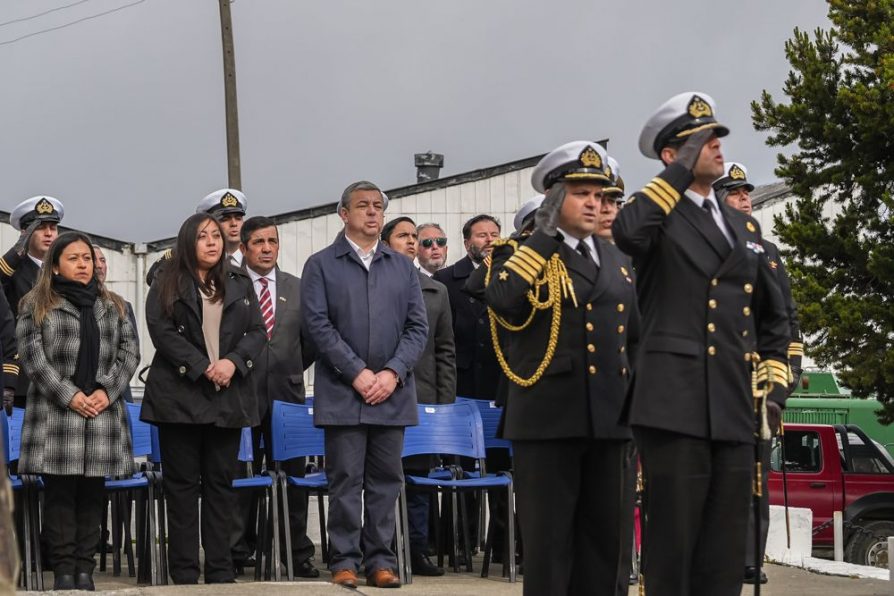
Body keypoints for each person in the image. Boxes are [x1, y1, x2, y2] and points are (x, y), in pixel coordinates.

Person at [612, 91, 790, 595]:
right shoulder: (658, 215)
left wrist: (774, 387)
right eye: (700, 141)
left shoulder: (743, 225)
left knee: (725, 549)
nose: (715, 146)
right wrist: (676, 174)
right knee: (674, 543)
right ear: (671, 154)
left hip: (734, 401)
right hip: (674, 399)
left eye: (716, 137)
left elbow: (775, 320)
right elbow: (627, 233)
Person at [482, 141, 639, 595]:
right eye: (581, 193)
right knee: (551, 551)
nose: (594, 203)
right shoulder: (519, 254)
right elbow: (503, 298)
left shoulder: (617, 258)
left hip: (612, 421)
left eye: (600, 194)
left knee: (608, 549)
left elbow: (638, 341)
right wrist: (545, 233)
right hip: (549, 421)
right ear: (553, 200)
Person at [301, 181, 428, 589]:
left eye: (378, 206)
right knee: (345, 481)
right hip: (343, 392)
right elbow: (318, 326)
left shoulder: (403, 266)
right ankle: (343, 560)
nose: (372, 213)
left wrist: (392, 372)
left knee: (386, 482)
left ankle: (381, 561)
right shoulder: (321, 264)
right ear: (344, 213)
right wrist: (356, 372)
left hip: (392, 392)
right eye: (363, 206)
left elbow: (416, 328)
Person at [140, 213, 266, 584]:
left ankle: (220, 569)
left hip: (227, 395)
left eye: (216, 236)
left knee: (220, 486)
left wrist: (232, 362)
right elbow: (161, 332)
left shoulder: (239, 281)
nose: (212, 242)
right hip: (180, 398)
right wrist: (200, 365)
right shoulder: (166, 281)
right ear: (186, 242)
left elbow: (258, 331)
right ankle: (182, 572)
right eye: (202, 236)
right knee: (180, 489)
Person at [16, 232, 139, 591]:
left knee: (91, 495)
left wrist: (106, 391)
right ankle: (64, 571)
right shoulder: (35, 304)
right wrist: (70, 395)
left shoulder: (113, 305)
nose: (84, 265)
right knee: (58, 497)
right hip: (57, 417)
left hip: (102, 414)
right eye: (74, 258)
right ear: (55, 265)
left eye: (87, 258)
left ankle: (85, 571)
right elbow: (33, 358)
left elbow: (130, 353)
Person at [713, 161, 804, 585]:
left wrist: (778, 388)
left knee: (754, 479)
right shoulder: (703, 248)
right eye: (733, 193)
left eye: (746, 191)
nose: (744, 198)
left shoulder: (767, 253)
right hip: (709, 383)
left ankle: (750, 558)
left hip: (755, 384)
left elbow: (786, 326)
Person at [229, 216, 319, 578]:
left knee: (292, 479)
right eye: (259, 242)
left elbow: (311, 341)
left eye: (272, 241)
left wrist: (290, 367)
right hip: (241, 395)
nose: (267, 248)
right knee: (240, 477)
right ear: (244, 247)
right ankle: (237, 551)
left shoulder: (298, 288)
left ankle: (296, 553)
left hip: (288, 396)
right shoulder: (230, 286)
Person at [381, 216, 456, 577]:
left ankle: (416, 548)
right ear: (385, 242)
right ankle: (380, 549)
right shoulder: (372, 284)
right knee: (382, 479)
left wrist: (444, 405)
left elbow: (445, 351)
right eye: (404, 236)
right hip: (379, 395)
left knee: (419, 482)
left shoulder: (435, 291)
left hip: (422, 397)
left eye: (416, 237)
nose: (412, 243)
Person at [0, 196, 64, 408]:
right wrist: (18, 251)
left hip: (63, 378)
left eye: (53, 228)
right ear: (25, 234)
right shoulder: (13, 270)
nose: (48, 233)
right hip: (25, 380)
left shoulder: (65, 271)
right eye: (40, 228)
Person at [145, 188, 248, 284]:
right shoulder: (194, 256)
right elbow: (153, 278)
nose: (234, 224)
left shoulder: (256, 255)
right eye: (225, 219)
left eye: (238, 218)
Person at [92, 245, 139, 403]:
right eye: (93, 259)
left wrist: (107, 389)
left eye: (103, 260)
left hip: (116, 396)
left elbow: (131, 353)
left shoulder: (121, 305)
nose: (99, 265)